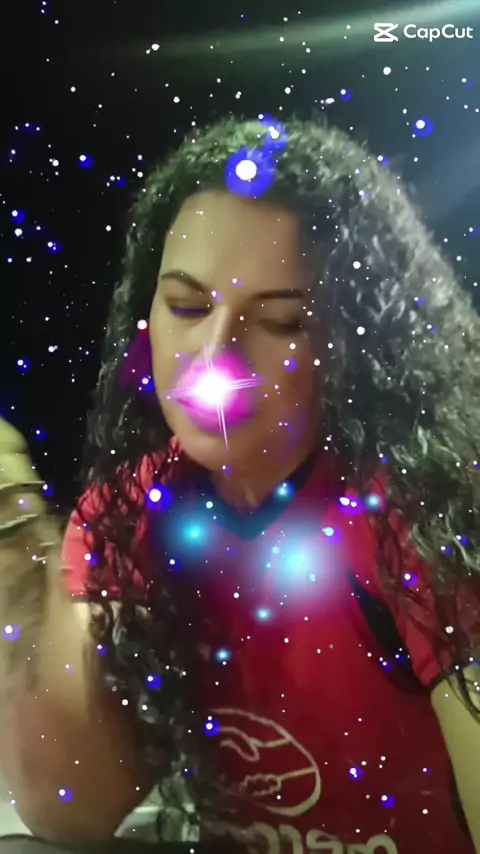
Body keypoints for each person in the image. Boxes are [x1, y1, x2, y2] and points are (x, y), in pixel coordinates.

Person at [1, 115, 480, 854]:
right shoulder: (128, 512)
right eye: (187, 307)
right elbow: (70, 808)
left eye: (281, 321)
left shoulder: (420, 517)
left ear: (354, 345)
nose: (213, 356)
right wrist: (11, 521)